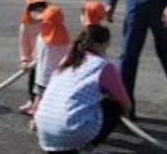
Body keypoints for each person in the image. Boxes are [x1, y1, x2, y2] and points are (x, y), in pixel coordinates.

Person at [35, 25, 133, 153]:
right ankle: (85, 147)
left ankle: (68, 146)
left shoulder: (67, 61)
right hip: (69, 131)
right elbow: (124, 101)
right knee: (113, 106)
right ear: (98, 45)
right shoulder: (103, 66)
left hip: (44, 129)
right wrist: (125, 113)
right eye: (106, 44)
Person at [30, 4, 71, 129]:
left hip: (43, 77)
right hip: (59, 78)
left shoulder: (41, 38)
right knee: (57, 101)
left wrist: (31, 62)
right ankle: (54, 121)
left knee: (39, 99)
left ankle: (35, 120)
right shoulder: (65, 39)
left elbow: (35, 56)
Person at [18, 0, 49, 115]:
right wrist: (24, 59)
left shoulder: (48, 22)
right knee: (33, 81)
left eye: (41, 6)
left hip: (47, 59)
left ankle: (43, 105)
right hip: (33, 61)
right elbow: (23, 44)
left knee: (44, 83)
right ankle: (32, 101)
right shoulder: (25, 26)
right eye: (34, 7)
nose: (39, 9)